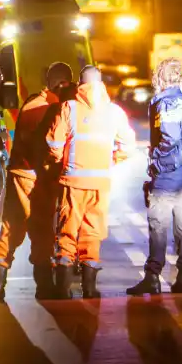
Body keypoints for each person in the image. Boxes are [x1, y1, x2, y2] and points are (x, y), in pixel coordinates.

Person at [46, 65, 136, 299]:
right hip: (100, 184)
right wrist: (110, 162)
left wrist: (61, 162)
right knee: (93, 233)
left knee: (67, 233)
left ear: (79, 83)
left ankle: (63, 289)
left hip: (73, 182)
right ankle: (89, 288)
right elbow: (128, 147)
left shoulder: (69, 108)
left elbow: (53, 144)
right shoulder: (114, 112)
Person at [0, 62, 75, 301]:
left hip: (18, 172)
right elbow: (51, 147)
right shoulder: (55, 106)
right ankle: (44, 285)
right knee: (41, 229)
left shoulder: (31, 103)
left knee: (11, 226)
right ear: (63, 83)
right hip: (37, 176)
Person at [127, 58, 182, 296]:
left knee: (158, 224)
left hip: (169, 172)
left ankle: (153, 276)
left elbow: (169, 139)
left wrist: (158, 164)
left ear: (160, 78)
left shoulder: (165, 103)